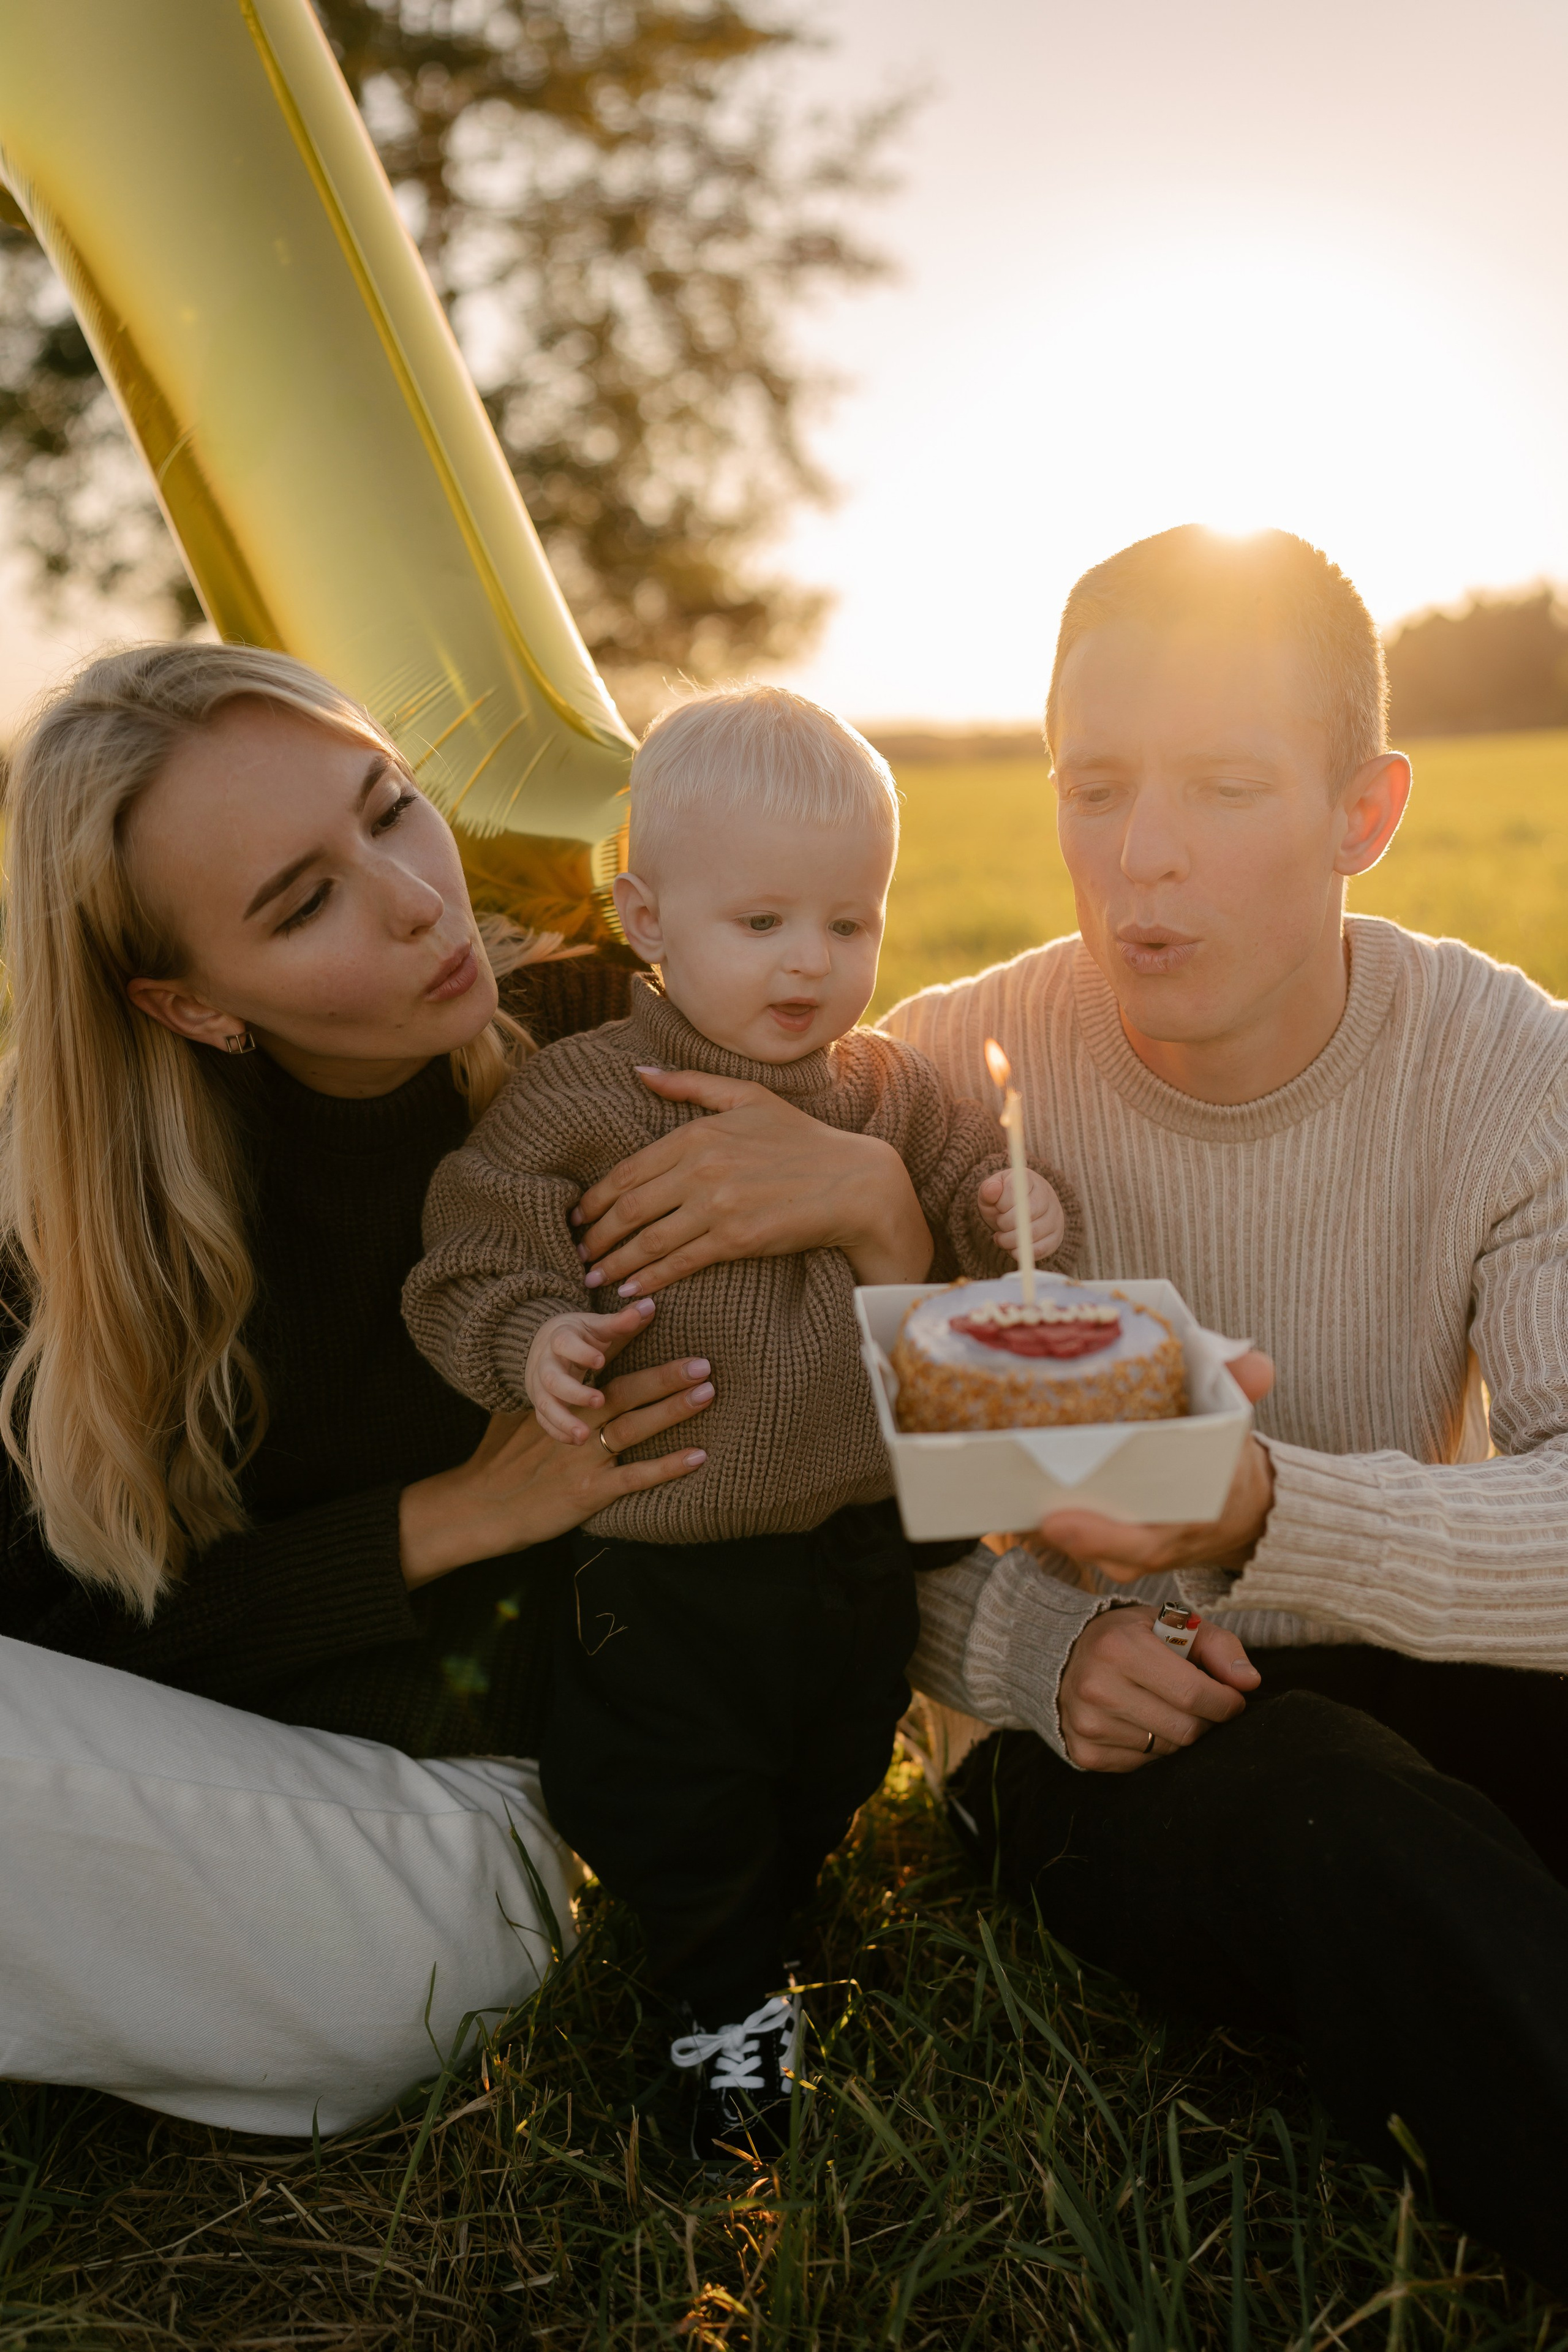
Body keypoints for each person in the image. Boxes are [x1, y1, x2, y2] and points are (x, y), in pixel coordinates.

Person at [546, 528, 1568, 2290]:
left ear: (1365, 813)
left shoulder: (1507, 1067)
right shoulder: (923, 1083)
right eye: (1095, 788)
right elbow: (812, 1515)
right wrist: (1033, 1652)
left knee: (1416, 1767)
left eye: (1228, 786)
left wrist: (1263, 1510)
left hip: (1406, 1639)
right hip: (1091, 1735)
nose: (1142, 855)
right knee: (1341, 1811)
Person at [0, 641, 725, 2134]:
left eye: (388, 809)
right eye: (302, 900)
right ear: (190, 1005)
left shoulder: (616, 1041)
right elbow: (62, 1656)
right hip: (181, 1811)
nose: (414, 901)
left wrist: (870, 1204)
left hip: (468, 1864)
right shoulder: (83, 1232)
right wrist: (440, 1520)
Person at [402, 685, 1071, 2162]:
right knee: (671, 1789)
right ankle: (720, 2017)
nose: (810, 964)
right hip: (665, 1556)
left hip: (849, 1542)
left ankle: (781, 1900)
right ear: (645, 914)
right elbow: (467, 1259)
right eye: (760, 923)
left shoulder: (885, 1089)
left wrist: (1002, 1205)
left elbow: (973, 1176)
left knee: (830, 1755)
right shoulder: (578, 1102)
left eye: (848, 924)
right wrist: (536, 1341)